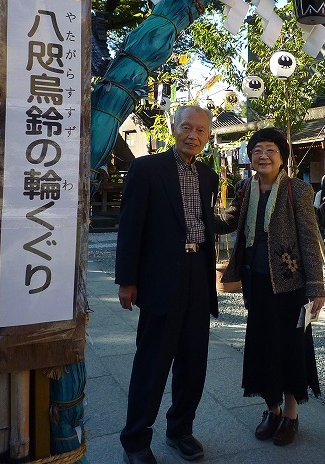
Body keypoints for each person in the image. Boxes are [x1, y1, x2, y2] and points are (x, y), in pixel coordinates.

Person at [115, 105, 219, 464]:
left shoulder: (209, 175)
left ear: (208, 135)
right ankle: (136, 440)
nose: (193, 135)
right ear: (173, 127)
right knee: (152, 362)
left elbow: (205, 221)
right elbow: (130, 227)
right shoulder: (147, 169)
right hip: (161, 278)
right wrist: (127, 280)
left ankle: (180, 430)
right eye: (187, 127)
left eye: (201, 130)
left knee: (194, 361)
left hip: (199, 274)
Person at [216, 127, 325, 447]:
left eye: (270, 151)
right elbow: (229, 222)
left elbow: (309, 240)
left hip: (289, 284)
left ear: (281, 157)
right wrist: (197, 212)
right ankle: (272, 410)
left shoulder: (298, 190)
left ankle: (290, 415)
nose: (263, 156)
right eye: (257, 151)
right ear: (250, 157)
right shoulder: (245, 188)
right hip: (255, 282)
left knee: (291, 348)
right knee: (263, 347)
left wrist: (316, 288)